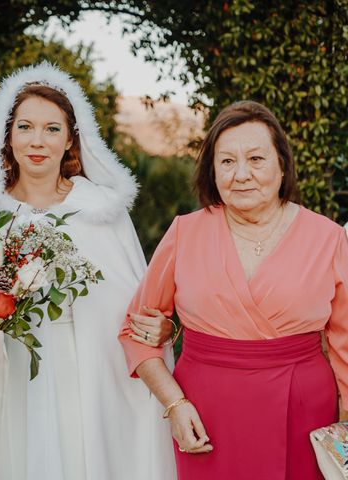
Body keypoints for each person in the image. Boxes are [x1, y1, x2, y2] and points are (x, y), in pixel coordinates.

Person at [0, 63, 177, 480]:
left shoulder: (101, 212)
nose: (37, 141)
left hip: (87, 376)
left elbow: (139, 307)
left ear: (71, 140)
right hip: (5, 373)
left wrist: (164, 329)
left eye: (52, 129)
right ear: (6, 136)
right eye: (26, 127)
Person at [119, 100, 348, 479]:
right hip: (205, 415)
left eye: (256, 159)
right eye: (226, 162)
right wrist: (174, 404)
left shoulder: (327, 237)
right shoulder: (184, 233)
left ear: (282, 165)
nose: (241, 174)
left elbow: (344, 344)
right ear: (212, 170)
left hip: (304, 412)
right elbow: (135, 332)